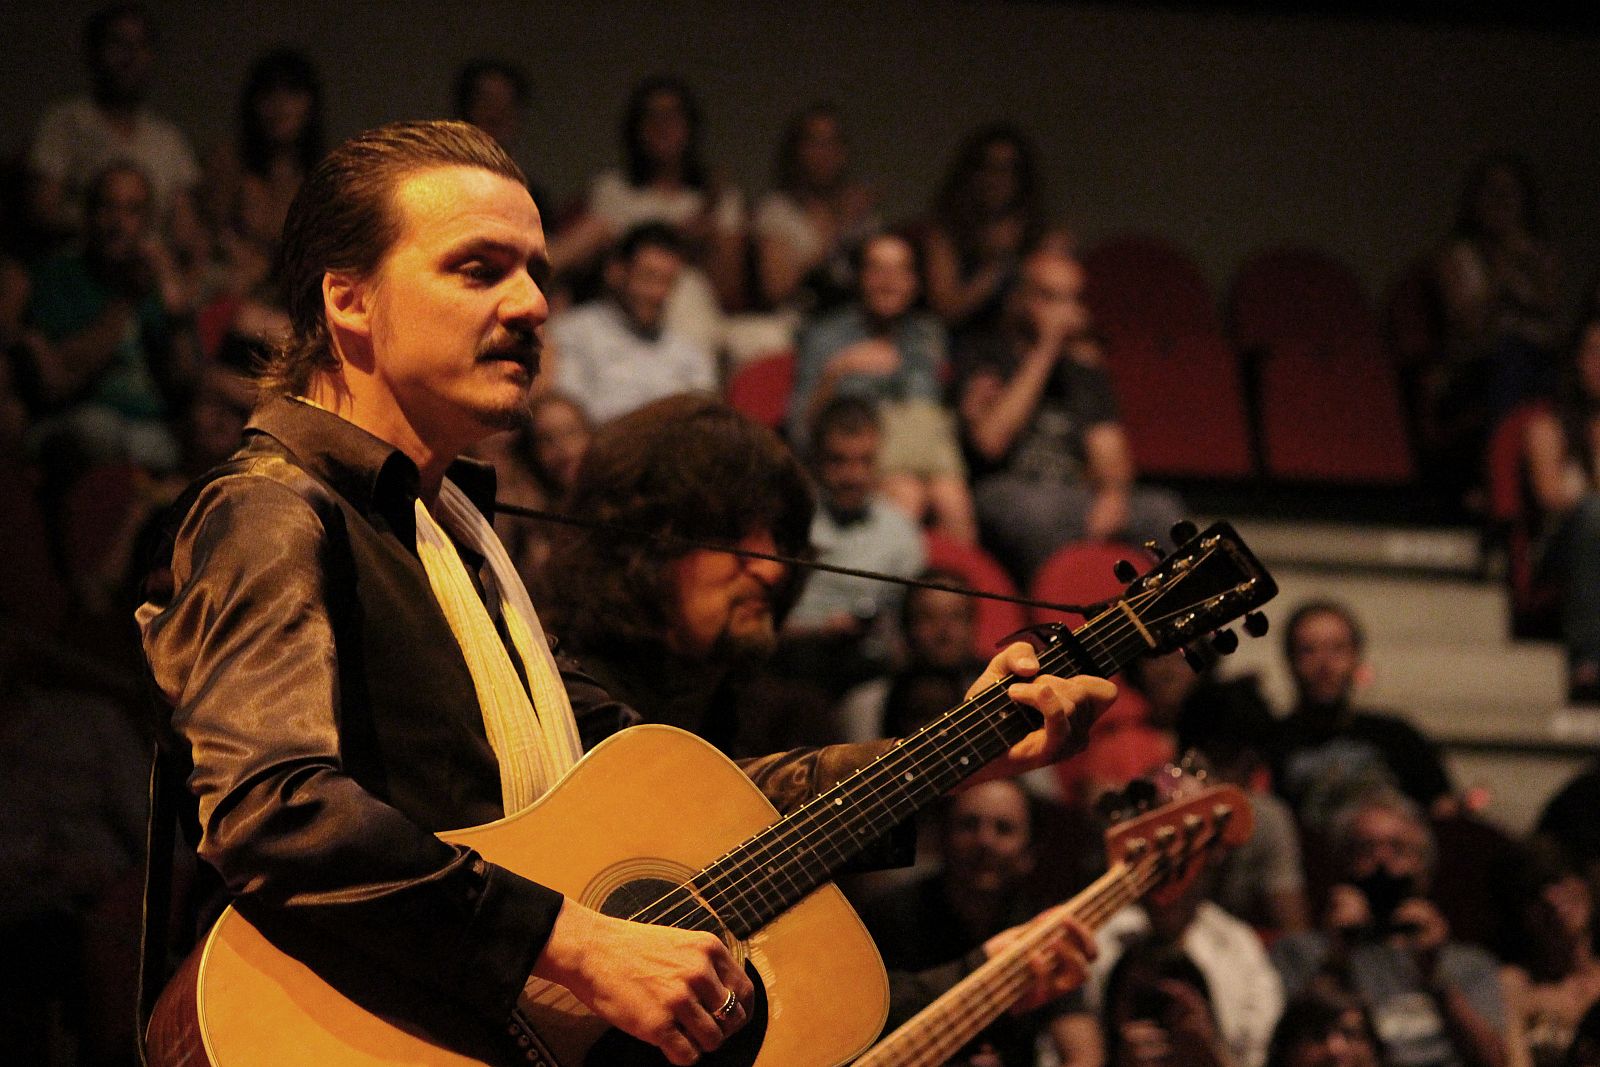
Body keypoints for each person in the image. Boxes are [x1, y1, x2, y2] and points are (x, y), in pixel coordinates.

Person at [137, 119, 1113, 1066]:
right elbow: (275, 808)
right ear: (348, 300)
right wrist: (575, 943)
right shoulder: (274, 509)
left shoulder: (455, 529)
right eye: (480, 269)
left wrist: (960, 750)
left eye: (537, 275)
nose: (531, 305)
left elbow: (694, 805)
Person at [956, 245, 1184, 583]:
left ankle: (1175, 628)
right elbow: (991, 442)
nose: (1063, 312)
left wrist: (1113, 495)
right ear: (1019, 298)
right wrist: (1046, 348)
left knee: (1162, 510)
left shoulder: (1083, 367)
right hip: (1008, 488)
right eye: (1050, 298)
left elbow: (1111, 451)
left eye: (1072, 299)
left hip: (1075, 494)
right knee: (1038, 515)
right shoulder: (985, 353)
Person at [858, 778, 1095, 1067]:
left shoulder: (1038, 926)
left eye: (1003, 829)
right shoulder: (889, 916)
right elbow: (858, 1028)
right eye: (969, 825)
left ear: (1029, 853)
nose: (985, 842)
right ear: (941, 838)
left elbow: (1084, 1050)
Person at [1270, 790, 1509, 1067]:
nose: (1382, 862)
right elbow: (1288, 1053)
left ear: (1424, 866)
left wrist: (1436, 975)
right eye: (1365, 849)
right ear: (1341, 861)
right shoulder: (1300, 953)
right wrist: (1336, 958)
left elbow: (1494, 1061)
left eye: (1398, 849)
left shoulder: (1468, 963)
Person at [788, 229, 978, 542]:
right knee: (907, 494)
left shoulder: (929, 335)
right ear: (860, 277)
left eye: (901, 270)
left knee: (954, 501)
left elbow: (939, 413)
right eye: (878, 269)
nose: (889, 281)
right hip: (857, 460)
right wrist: (837, 371)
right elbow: (800, 430)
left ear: (914, 282)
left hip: (926, 454)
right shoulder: (826, 335)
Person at [22, 161, 196, 475]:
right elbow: (58, 380)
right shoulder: (58, 276)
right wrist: (127, 301)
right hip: (78, 421)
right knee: (96, 429)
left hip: (149, 430)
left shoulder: (155, 279)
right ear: (89, 214)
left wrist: (177, 311)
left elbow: (185, 381)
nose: (118, 223)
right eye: (108, 207)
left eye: (132, 211)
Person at [549, 75, 744, 348]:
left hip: (694, 306)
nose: (662, 126)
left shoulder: (718, 198)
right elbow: (603, 267)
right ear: (636, 128)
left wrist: (707, 236)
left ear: (690, 126)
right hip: (623, 303)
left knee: (687, 292)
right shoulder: (613, 190)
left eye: (672, 116)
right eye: (651, 116)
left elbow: (731, 291)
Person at [27, 3, 203, 257]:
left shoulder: (168, 139)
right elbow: (41, 212)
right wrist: (110, 228)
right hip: (81, 267)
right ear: (95, 52)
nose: (129, 56)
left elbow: (185, 229)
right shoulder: (66, 123)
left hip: (150, 275)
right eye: (118, 43)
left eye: (140, 45)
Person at [1272, 601, 1453, 832]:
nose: (1324, 664)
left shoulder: (1397, 736)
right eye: (1309, 650)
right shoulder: (1270, 742)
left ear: (1356, 656)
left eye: (1337, 649)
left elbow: (1443, 814)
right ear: (1290, 659)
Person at [548, 221, 717, 425]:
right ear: (616, 273)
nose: (658, 293)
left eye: (668, 282)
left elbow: (706, 425)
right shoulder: (572, 333)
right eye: (648, 277)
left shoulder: (689, 353)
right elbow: (568, 420)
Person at [922, 123, 1065, 339]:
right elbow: (947, 311)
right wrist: (997, 263)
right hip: (967, 343)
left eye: (1009, 169)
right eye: (989, 168)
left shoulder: (1035, 230)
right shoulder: (946, 231)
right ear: (972, 174)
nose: (998, 179)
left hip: (1024, 341)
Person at [1522, 309, 1600, 702]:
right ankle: (1588, 660)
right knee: (1592, 513)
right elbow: (1552, 495)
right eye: (1592, 352)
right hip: (1564, 546)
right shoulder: (1549, 425)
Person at [753, 102, 880, 316]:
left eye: (832, 143)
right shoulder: (777, 211)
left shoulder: (860, 212)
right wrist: (838, 228)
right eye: (814, 143)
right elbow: (776, 289)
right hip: (799, 321)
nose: (824, 153)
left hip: (856, 318)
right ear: (797, 151)